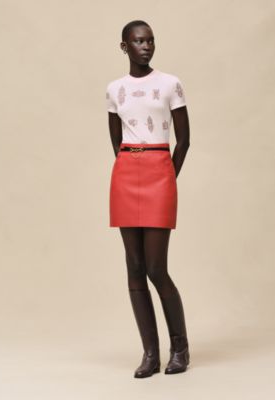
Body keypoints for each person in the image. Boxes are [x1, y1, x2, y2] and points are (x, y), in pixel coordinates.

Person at [106, 20, 191, 378]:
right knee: (134, 268)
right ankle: (150, 354)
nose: (146, 46)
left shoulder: (170, 84)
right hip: (126, 174)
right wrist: (132, 166)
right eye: (139, 41)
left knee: (156, 268)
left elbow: (184, 140)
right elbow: (116, 141)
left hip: (159, 171)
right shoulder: (114, 89)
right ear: (124, 46)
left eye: (150, 40)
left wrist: (167, 176)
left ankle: (180, 349)